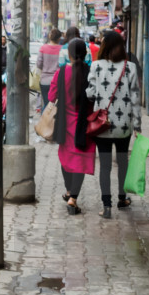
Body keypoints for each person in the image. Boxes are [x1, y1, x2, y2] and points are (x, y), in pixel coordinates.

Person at [86, 30, 141, 219]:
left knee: (106, 166)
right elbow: (135, 98)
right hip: (124, 124)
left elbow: (90, 93)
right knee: (123, 162)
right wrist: (138, 125)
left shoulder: (95, 66)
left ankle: (107, 206)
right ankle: (122, 198)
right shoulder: (130, 67)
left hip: (103, 124)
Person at [49, 38, 95, 214]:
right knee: (80, 163)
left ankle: (69, 191)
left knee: (66, 159)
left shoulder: (61, 73)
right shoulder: (91, 73)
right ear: (85, 54)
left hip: (64, 125)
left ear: (68, 54)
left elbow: (52, 96)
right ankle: (73, 198)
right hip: (84, 125)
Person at [36, 28, 63, 112]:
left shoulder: (43, 48)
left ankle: (44, 123)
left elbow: (39, 64)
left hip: (44, 81)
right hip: (59, 81)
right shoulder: (62, 49)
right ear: (59, 38)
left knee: (47, 104)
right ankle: (55, 124)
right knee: (57, 106)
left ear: (49, 37)